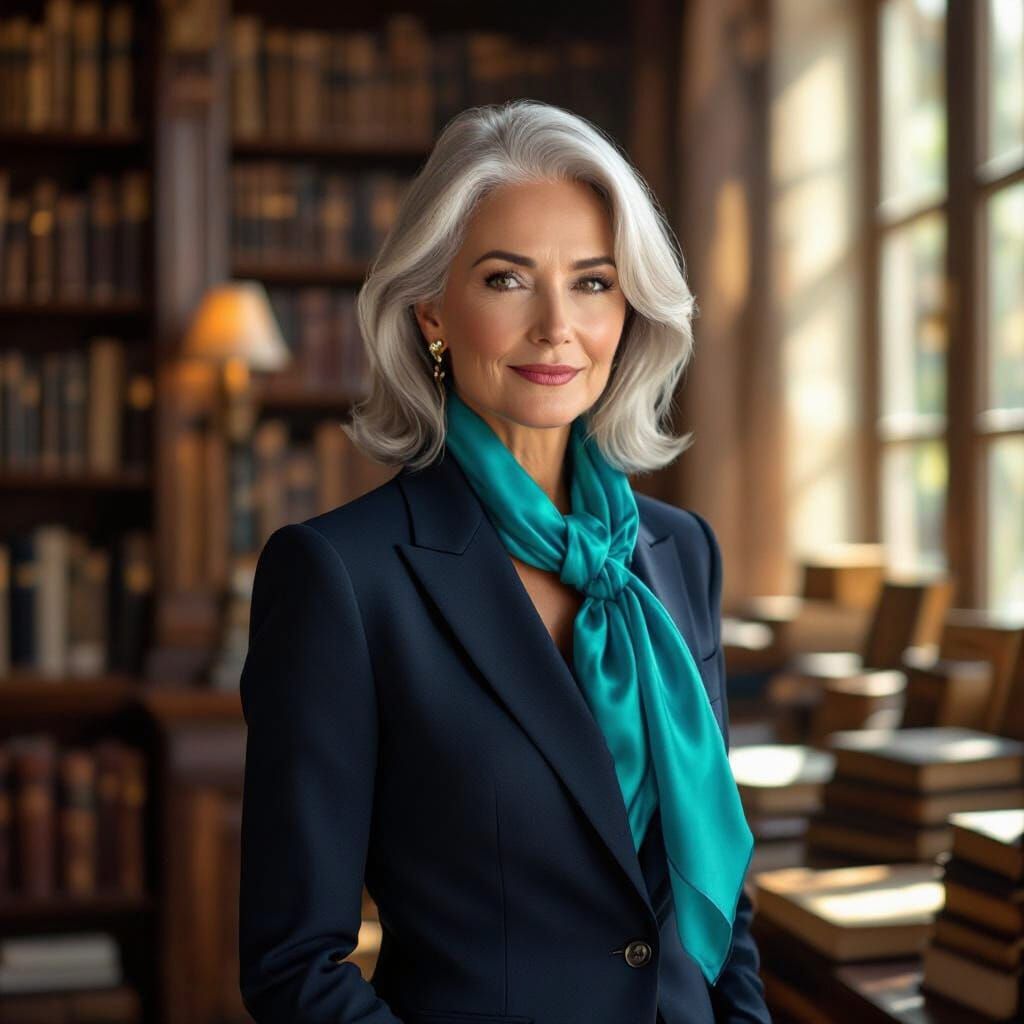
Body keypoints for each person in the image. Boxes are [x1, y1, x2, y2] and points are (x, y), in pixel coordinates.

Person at [238, 99, 771, 1024]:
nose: (556, 326)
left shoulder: (680, 551)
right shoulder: (339, 578)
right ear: (432, 313)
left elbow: (721, 891)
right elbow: (296, 966)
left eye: (594, 282)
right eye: (507, 280)